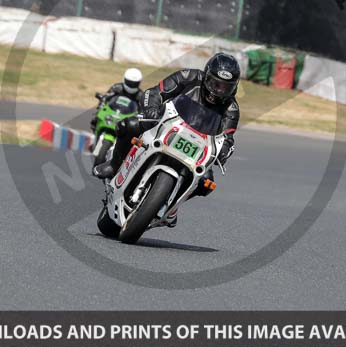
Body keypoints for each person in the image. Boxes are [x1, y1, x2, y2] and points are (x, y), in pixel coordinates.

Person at [93, 53, 241, 225]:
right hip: (166, 125)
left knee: (206, 183)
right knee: (128, 125)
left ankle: (173, 204)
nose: (220, 90)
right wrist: (151, 108)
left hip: (198, 146)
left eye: (226, 87)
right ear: (206, 76)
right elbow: (154, 93)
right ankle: (114, 165)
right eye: (216, 84)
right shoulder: (188, 76)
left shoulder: (231, 108)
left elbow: (227, 137)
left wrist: (224, 151)